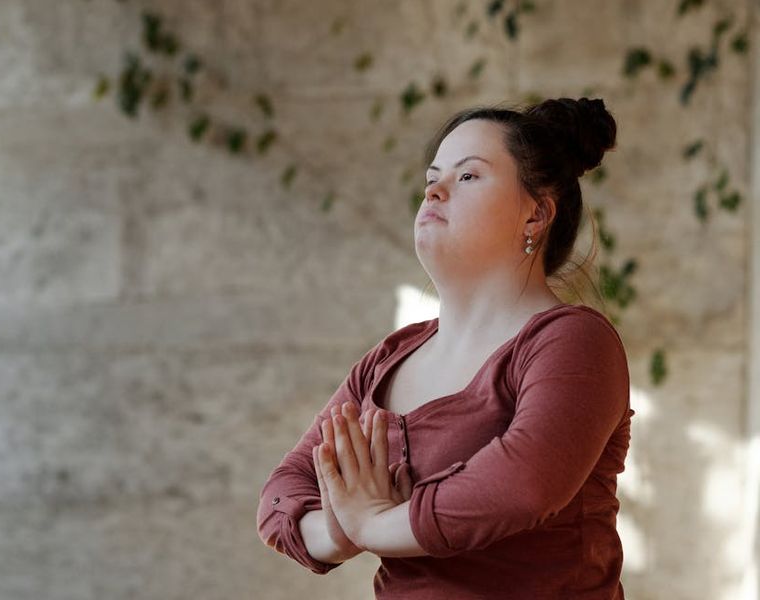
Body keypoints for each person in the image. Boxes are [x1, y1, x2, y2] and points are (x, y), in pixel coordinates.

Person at [257, 97, 635, 599]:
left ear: (536, 214)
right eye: (432, 178)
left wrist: (376, 525)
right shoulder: (388, 359)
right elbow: (284, 491)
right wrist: (340, 532)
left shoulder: (572, 341)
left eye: (468, 177)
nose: (434, 190)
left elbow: (522, 484)